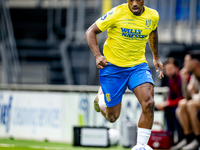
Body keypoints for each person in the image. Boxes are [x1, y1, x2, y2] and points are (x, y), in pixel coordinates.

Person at [86, 0, 164, 149]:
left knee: (149, 103)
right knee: (113, 117)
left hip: (137, 67)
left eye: (138, 0)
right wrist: (97, 56)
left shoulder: (153, 16)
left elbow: (153, 31)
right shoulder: (116, 13)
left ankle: (141, 146)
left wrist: (155, 57)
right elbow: (90, 31)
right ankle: (101, 99)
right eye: (131, 0)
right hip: (113, 68)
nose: (134, 3)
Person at [171, 51, 200, 150]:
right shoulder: (194, 76)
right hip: (195, 102)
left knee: (191, 105)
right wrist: (184, 80)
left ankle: (198, 140)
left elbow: (194, 98)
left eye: (187, 61)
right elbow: (187, 97)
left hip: (196, 103)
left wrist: (192, 94)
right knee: (182, 104)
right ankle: (189, 139)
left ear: (195, 63)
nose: (184, 64)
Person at [155, 58, 184, 145]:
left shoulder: (183, 79)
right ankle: (170, 139)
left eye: (170, 69)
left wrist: (167, 103)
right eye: (167, 70)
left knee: (175, 110)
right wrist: (165, 104)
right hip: (176, 105)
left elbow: (182, 98)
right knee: (168, 110)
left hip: (182, 106)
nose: (168, 72)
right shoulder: (171, 80)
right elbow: (170, 97)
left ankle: (181, 139)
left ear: (177, 68)